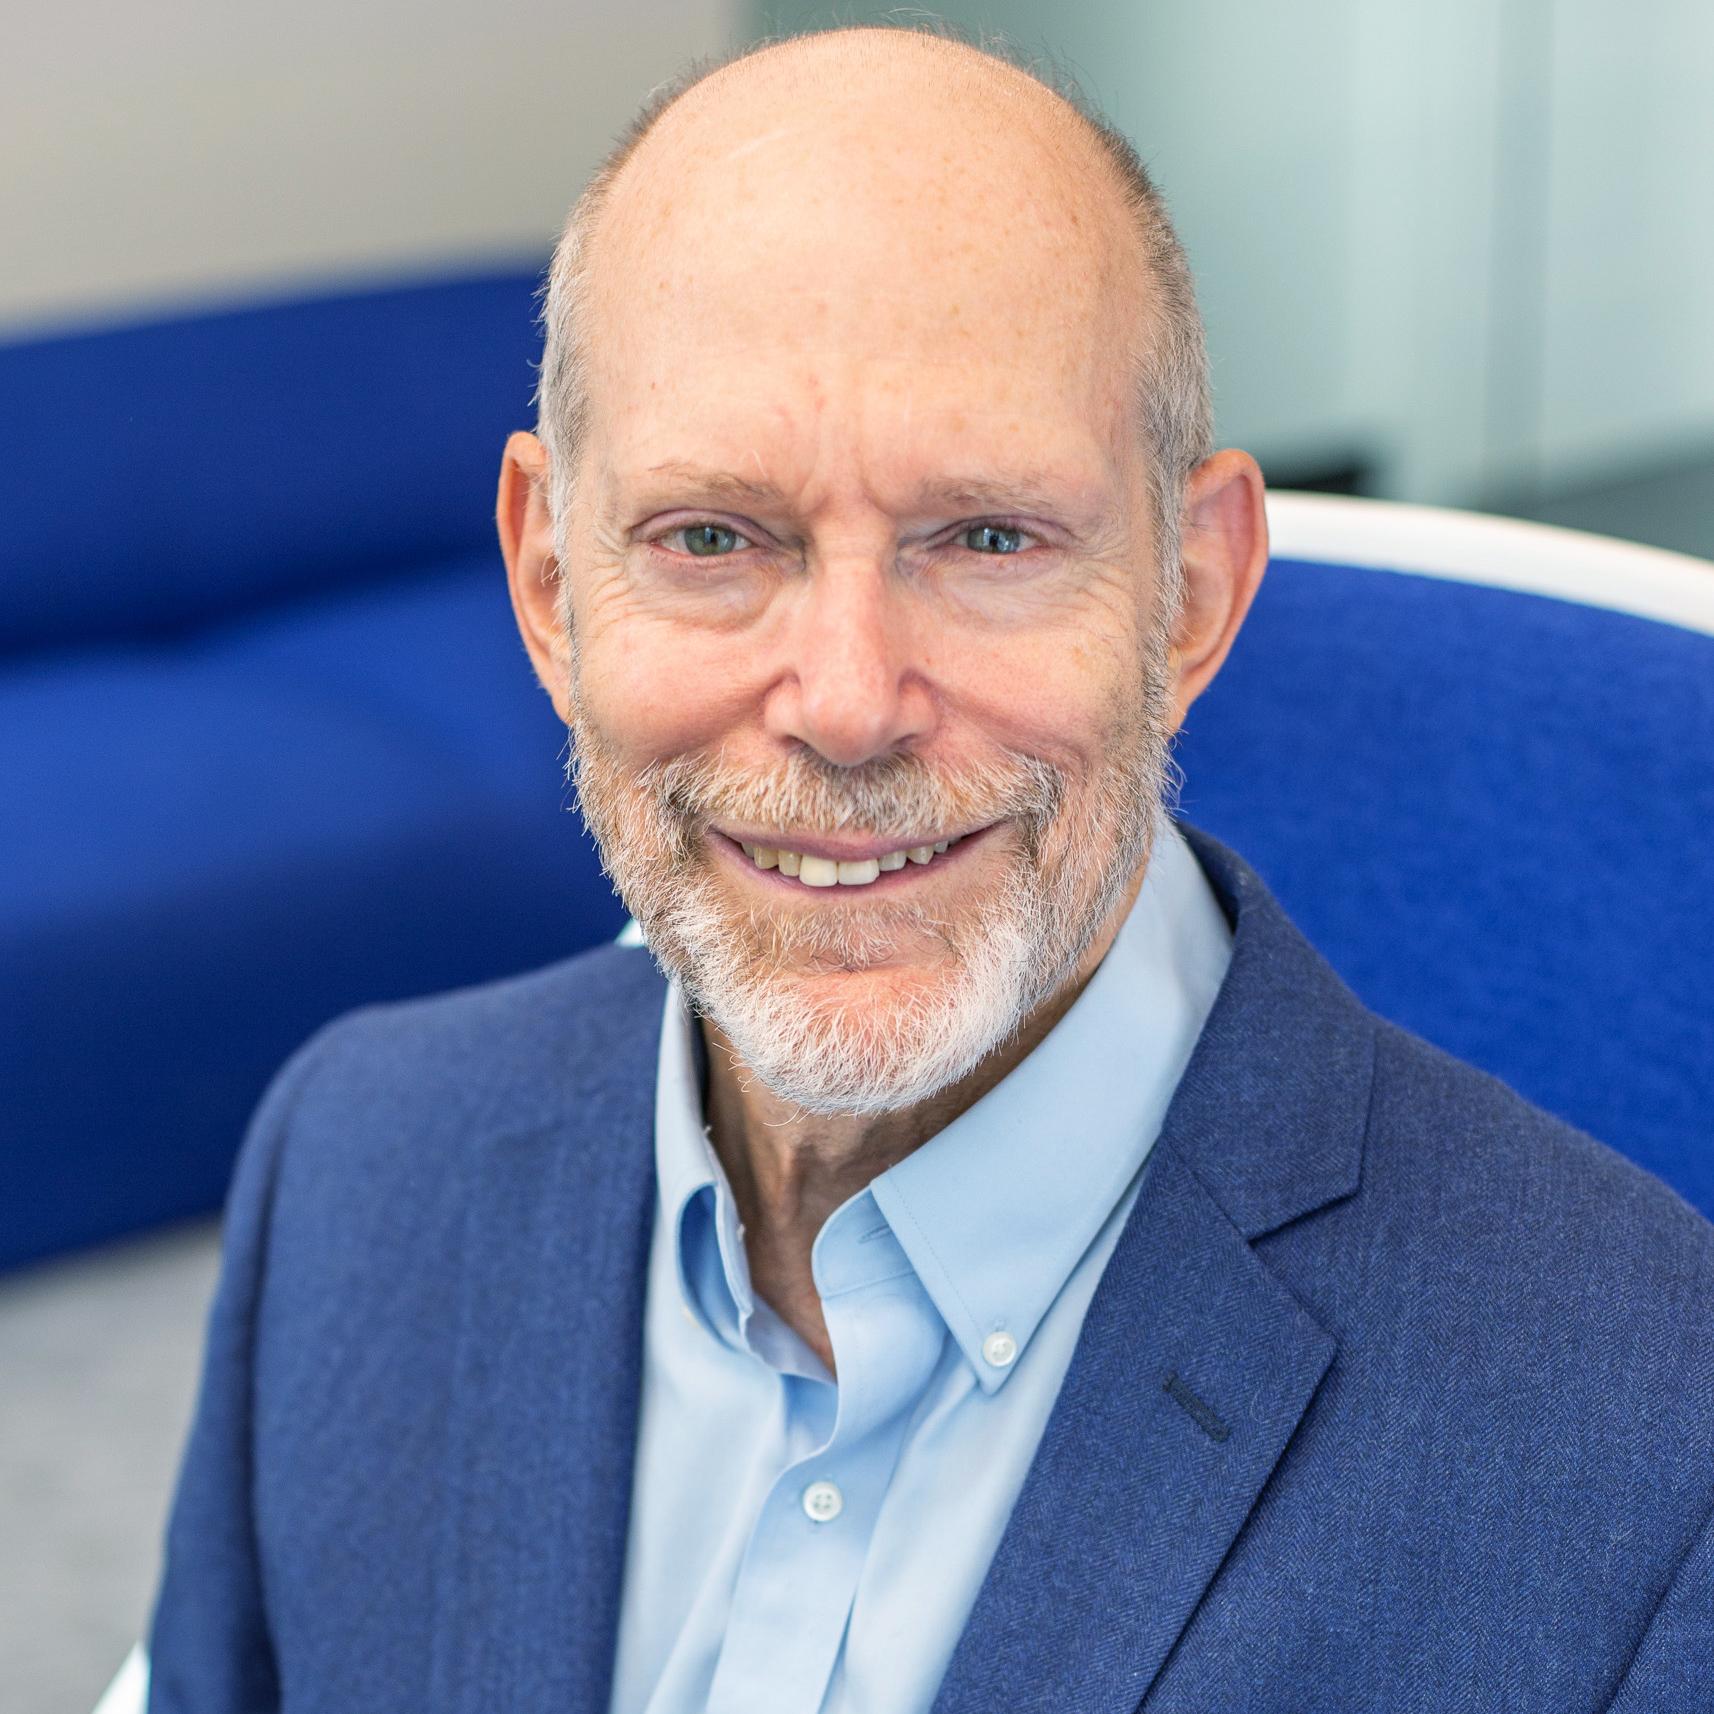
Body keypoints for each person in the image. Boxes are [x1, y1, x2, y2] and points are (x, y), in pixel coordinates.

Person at [144, 24, 1713, 1712]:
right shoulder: (359, 1168)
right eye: (711, 537)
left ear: (1187, 595)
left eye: (983, 537)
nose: (842, 704)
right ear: (549, 587)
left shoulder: (1641, 1443)